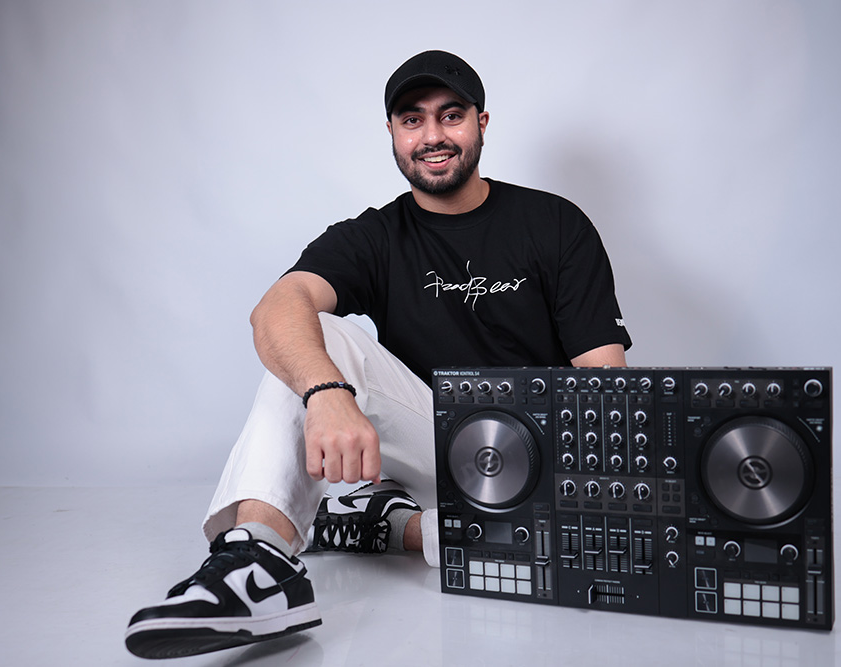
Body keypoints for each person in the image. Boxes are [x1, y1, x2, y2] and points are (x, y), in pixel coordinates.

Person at [124, 50, 632, 660]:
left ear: (481, 123)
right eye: (412, 119)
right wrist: (327, 394)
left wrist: (589, 494)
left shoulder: (553, 223)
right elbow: (274, 309)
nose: (432, 135)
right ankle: (256, 565)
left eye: (451, 116)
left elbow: (605, 384)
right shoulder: (375, 236)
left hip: (538, 454)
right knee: (311, 331)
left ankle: (391, 525)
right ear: (392, 132)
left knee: (572, 540)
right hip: (436, 445)